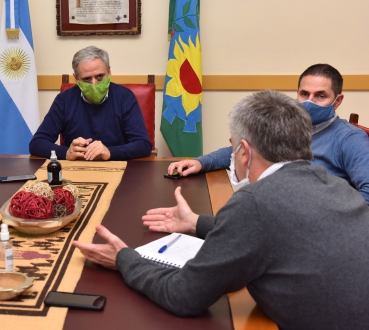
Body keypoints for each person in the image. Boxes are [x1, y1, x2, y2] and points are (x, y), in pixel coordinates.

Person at [73, 90, 369, 329]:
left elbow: (183, 296)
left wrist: (125, 258)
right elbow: (281, 232)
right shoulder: (334, 185)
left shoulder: (254, 201)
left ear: (244, 150)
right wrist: (196, 224)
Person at [168, 64, 369, 203]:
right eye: (304, 94)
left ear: (338, 100)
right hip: (273, 208)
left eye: (321, 96)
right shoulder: (289, 125)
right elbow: (246, 148)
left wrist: (327, 213)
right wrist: (201, 162)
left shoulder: (350, 139)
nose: (309, 101)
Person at [29, 46, 151, 161]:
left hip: (118, 167)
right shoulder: (64, 100)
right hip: (75, 172)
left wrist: (110, 152)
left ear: (109, 72)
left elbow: (143, 145)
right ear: (76, 78)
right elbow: (37, 143)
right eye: (87, 79)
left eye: (99, 76)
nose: (94, 84)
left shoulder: (125, 97)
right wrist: (66, 153)